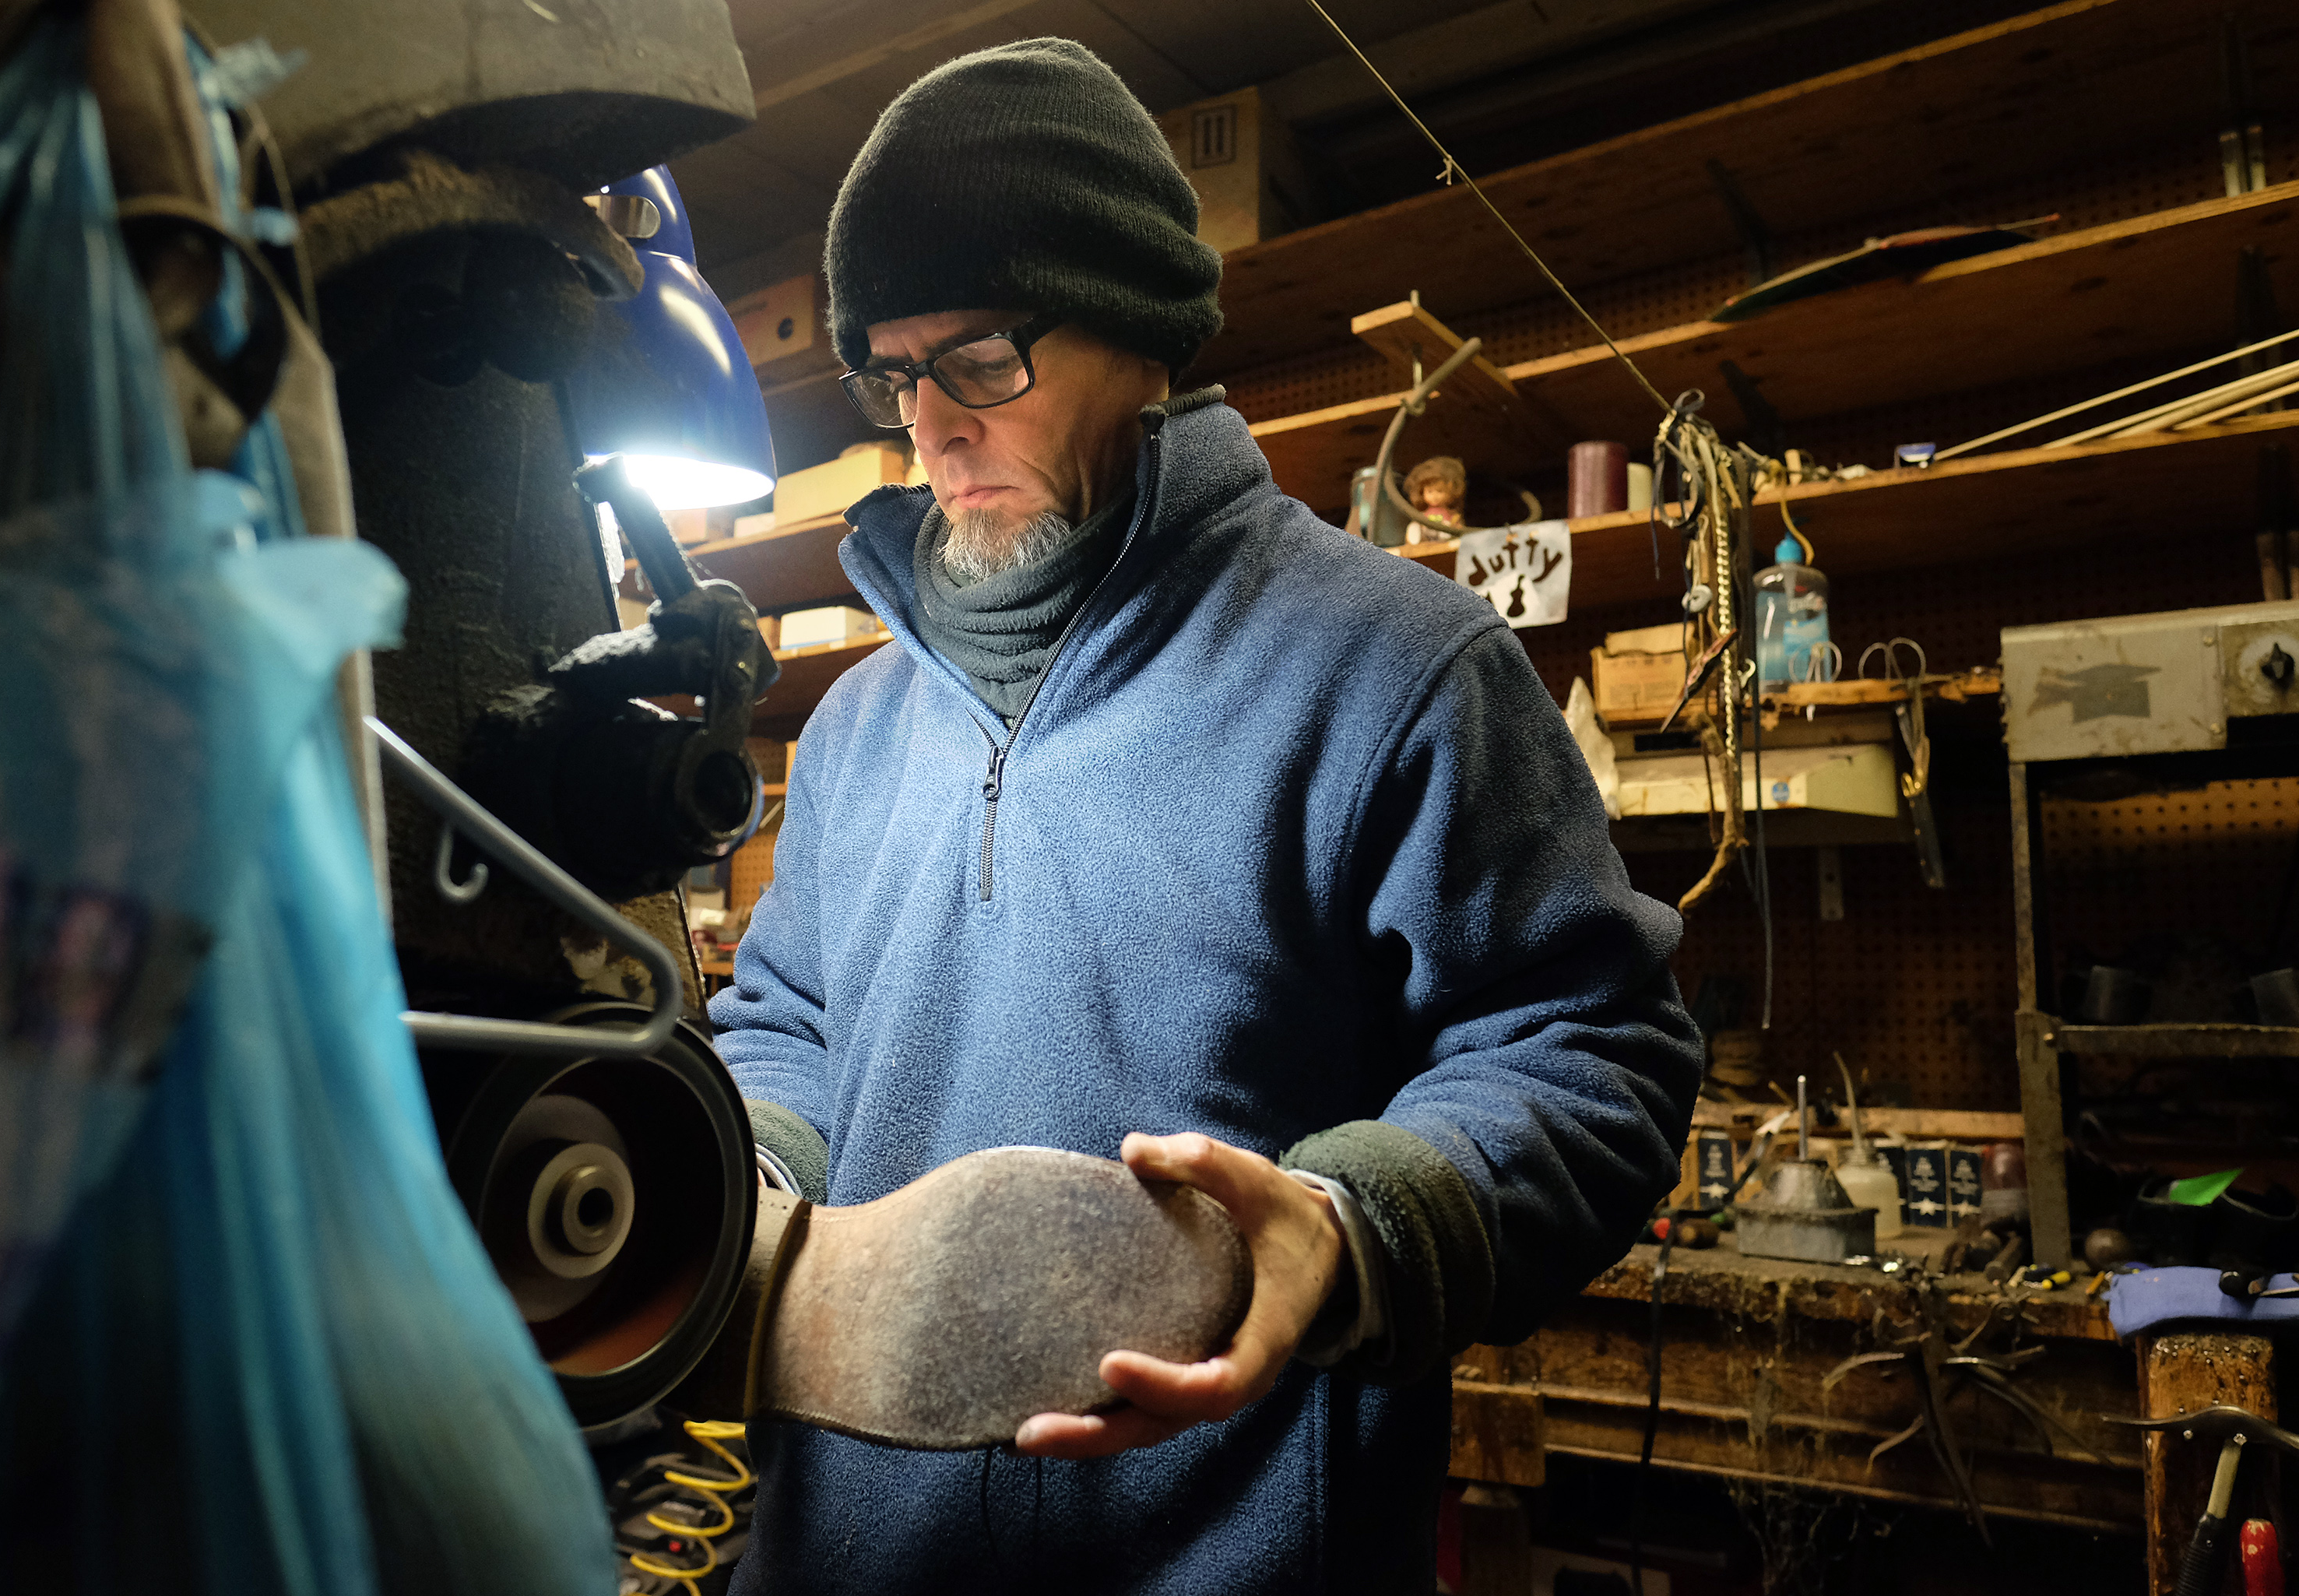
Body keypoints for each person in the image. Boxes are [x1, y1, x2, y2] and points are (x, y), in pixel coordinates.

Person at [708, 37, 1701, 1594]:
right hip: (844, 1557)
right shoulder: (854, 724)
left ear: (1140, 331)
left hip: (1228, 1553)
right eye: (894, 376)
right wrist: (742, 1175)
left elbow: (1591, 1048)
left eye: (979, 359)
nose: (933, 425)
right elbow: (787, 1019)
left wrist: (1350, 1219)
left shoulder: (1396, 662)